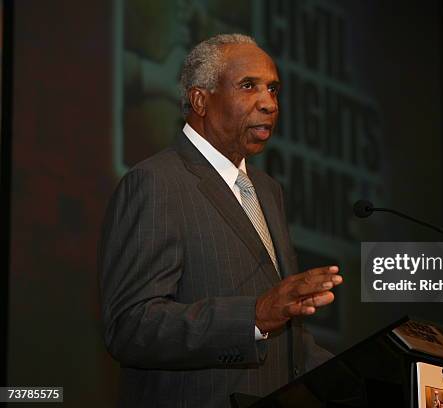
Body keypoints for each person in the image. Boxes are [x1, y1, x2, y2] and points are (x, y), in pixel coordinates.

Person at [98, 33, 342, 407]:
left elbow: (283, 337)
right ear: (200, 99)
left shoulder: (266, 189)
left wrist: (360, 381)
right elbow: (132, 327)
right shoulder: (157, 182)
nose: (269, 104)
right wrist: (254, 316)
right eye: (249, 86)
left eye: (274, 89)